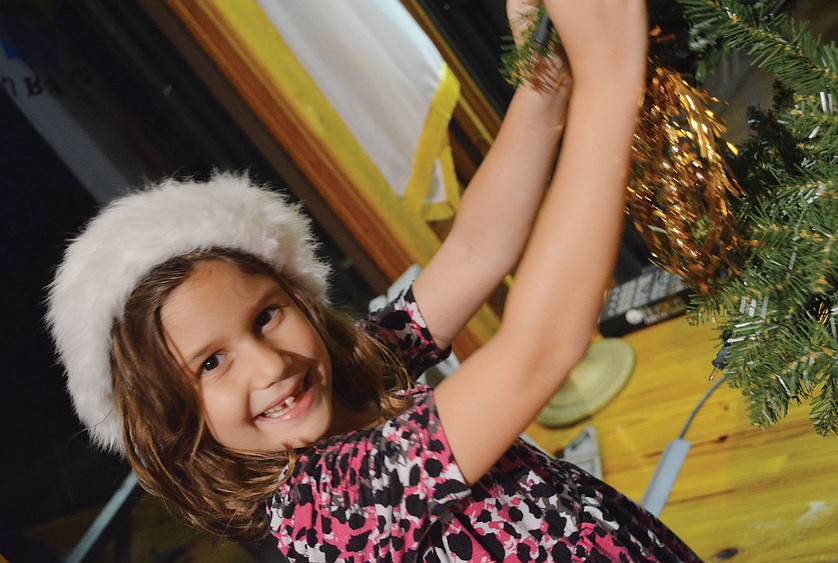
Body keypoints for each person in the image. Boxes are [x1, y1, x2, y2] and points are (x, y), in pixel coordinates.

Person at [46, 0, 700, 560]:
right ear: (172, 416)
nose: (270, 364)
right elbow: (540, 347)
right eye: (211, 362)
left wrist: (547, 83)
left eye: (266, 315)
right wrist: (611, 78)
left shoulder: (349, 376)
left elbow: (475, 250)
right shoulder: (325, 509)